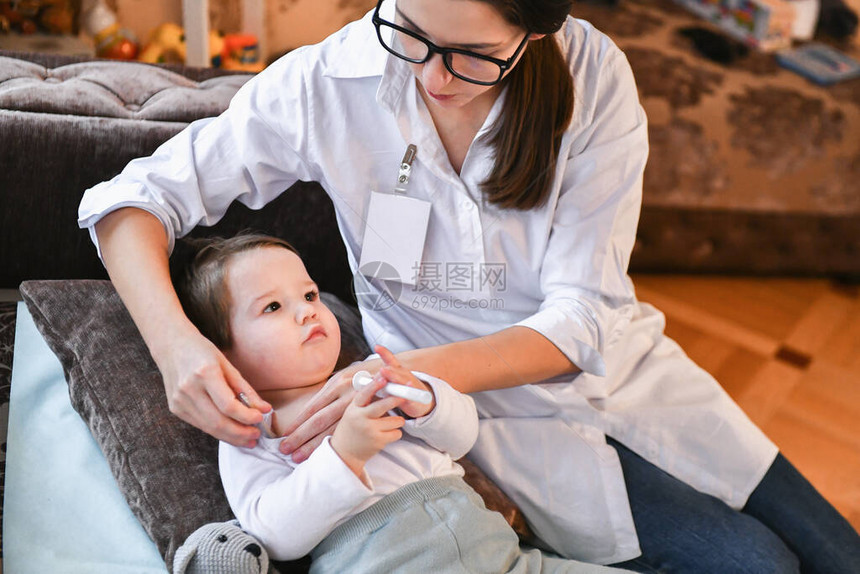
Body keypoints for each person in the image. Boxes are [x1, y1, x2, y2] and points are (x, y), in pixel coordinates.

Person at [78, 0, 860, 571]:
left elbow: (582, 320)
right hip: (482, 424)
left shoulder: (594, 80)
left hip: (619, 379)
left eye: (472, 54)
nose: (431, 76)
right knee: (757, 565)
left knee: (836, 552)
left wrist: (388, 379)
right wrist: (177, 346)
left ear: (537, 29)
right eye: (410, 34)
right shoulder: (329, 81)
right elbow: (129, 201)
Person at [174, 233, 628, 573]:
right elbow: (274, 533)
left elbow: (461, 437)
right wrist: (344, 455)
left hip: (500, 555)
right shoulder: (251, 429)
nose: (307, 310)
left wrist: (427, 403)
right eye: (272, 307)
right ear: (223, 352)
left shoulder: (376, 374)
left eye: (309, 294)